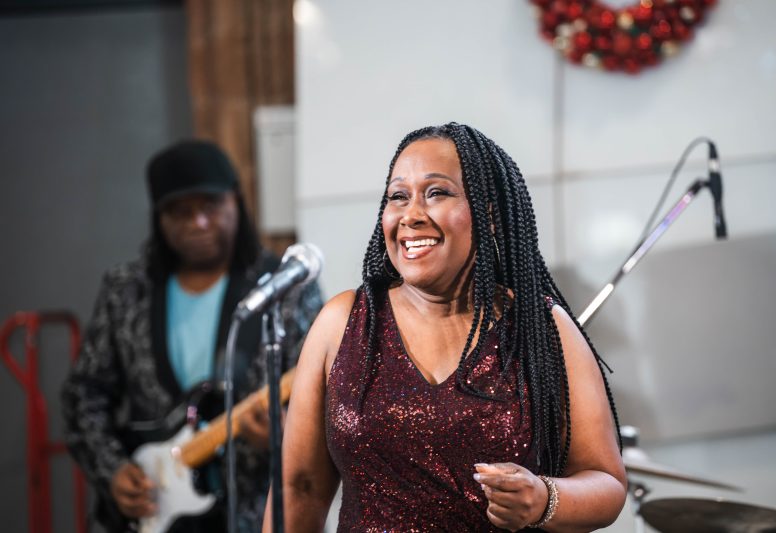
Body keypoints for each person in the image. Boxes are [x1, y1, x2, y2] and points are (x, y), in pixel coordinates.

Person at [267, 123, 627, 532]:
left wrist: (544, 498)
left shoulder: (543, 328)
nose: (411, 215)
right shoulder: (343, 322)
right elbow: (299, 488)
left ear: (489, 215)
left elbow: (607, 482)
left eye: (436, 193)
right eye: (398, 196)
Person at [62, 140, 322, 533]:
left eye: (210, 206)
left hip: (251, 515)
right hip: (151, 509)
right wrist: (112, 470)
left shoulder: (284, 288)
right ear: (159, 218)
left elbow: (324, 398)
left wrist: (287, 434)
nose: (198, 222)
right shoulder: (126, 290)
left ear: (236, 202)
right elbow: (83, 395)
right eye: (180, 212)